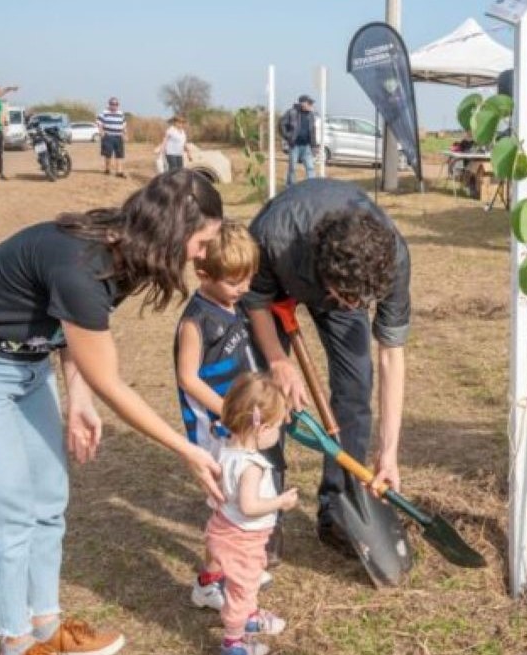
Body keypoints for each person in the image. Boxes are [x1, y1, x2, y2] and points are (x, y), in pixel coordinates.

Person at [0, 170, 226, 655]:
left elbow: (69, 331)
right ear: (171, 232)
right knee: (8, 512)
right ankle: (17, 643)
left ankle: (45, 629)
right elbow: (111, 383)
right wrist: (185, 449)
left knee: (48, 499)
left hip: (26, 368)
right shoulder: (81, 263)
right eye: (201, 243)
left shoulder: (123, 258)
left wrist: (78, 399)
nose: (202, 256)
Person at [242, 178, 410, 553]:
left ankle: (338, 508)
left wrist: (388, 453)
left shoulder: (393, 261)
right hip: (278, 279)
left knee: (356, 387)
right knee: (265, 396)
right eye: (348, 298)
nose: (355, 307)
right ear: (328, 277)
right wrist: (278, 360)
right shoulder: (273, 237)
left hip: (338, 276)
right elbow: (254, 300)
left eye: (362, 301)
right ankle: (263, 515)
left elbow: (390, 355)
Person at [175, 222, 286, 611]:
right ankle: (210, 581)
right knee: (224, 504)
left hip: (235, 421)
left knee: (237, 497)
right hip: (214, 427)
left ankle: (234, 565)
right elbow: (188, 377)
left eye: (248, 279)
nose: (243, 288)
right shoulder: (197, 320)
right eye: (234, 281)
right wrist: (230, 411)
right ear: (203, 273)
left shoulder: (231, 305)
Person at [204, 373, 297, 655]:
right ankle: (234, 641)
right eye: (278, 427)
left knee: (248, 581)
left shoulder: (223, 449)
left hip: (225, 529)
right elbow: (249, 506)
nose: (278, 433)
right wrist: (280, 501)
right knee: (241, 591)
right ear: (263, 427)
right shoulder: (252, 465)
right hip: (242, 539)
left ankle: (252, 617)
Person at [279, 95, 319, 186]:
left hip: (306, 146)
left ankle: (311, 186)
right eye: (309, 103)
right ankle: (290, 186)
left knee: (310, 167)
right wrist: (288, 136)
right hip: (295, 146)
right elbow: (282, 124)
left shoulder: (311, 115)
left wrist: (314, 145)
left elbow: (312, 131)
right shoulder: (291, 112)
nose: (311, 105)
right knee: (292, 168)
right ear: (303, 103)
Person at [96, 96, 128, 178]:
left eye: (116, 104)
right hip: (108, 136)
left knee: (119, 155)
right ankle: (107, 169)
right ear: (109, 104)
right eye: (112, 104)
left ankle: (119, 172)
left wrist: (125, 134)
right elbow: (99, 123)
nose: (114, 106)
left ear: (118, 105)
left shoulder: (121, 114)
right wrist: (101, 132)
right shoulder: (104, 113)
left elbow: (124, 125)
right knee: (108, 154)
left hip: (118, 136)